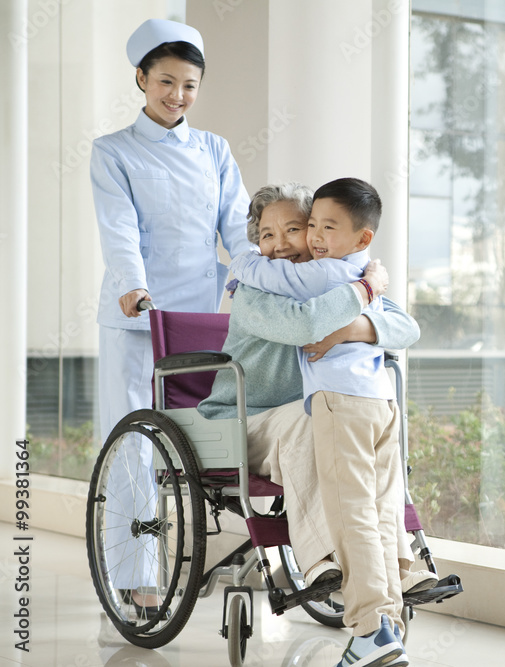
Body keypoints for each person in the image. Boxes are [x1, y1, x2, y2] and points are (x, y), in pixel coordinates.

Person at [90, 18, 253, 611]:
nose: (177, 95)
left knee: (193, 445)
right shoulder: (113, 151)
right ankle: (137, 574)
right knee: (134, 443)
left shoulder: (214, 150)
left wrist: (254, 273)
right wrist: (133, 287)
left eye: (189, 85)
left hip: (198, 321)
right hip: (138, 319)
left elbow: (238, 224)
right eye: (165, 81)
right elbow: (119, 231)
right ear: (140, 78)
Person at [227, 178, 410, 667]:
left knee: (349, 435)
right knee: (318, 419)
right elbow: (304, 325)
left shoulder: (328, 282)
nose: (281, 244)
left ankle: (386, 595)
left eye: (295, 228)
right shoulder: (254, 290)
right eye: (267, 235)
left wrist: (357, 324)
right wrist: (363, 289)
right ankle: (326, 562)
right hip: (248, 418)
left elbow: (405, 326)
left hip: (321, 410)